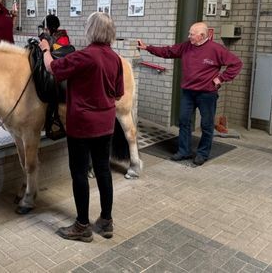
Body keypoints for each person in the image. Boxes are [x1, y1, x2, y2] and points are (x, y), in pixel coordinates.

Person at [39, 12, 124, 242]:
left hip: (82, 126)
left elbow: (52, 68)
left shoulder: (85, 56)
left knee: (79, 172)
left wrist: (46, 48)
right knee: (103, 170)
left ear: (91, 30)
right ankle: (106, 221)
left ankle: (82, 226)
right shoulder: (115, 58)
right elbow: (118, 93)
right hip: (106, 125)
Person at [137, 22, 243, 166]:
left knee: (206, 125)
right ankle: (184, 151)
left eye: (192, 34)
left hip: (207, 94)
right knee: (184, 121)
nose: (189, 36)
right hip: (188, 92)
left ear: (202, 36)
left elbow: (236, 64)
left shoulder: (216, 49)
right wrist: (147, 48)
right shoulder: (186, 46)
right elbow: (168, 51)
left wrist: (221, 79)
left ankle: (202, 154)